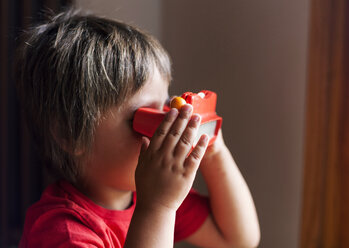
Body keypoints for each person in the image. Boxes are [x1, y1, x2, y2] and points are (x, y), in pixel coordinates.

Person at [17, 9, 260, 248]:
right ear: (71, 136)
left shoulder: (147, 196)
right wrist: (157, 208)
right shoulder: (63, 232)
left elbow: (237, 240)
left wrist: (213, 150)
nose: (166, 125)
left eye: (166, 108)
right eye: (143, 118)